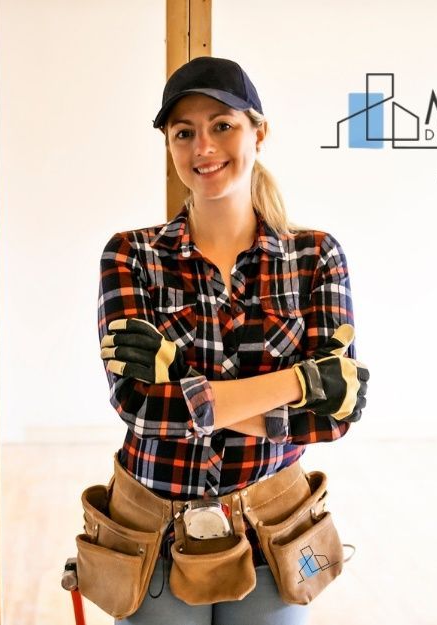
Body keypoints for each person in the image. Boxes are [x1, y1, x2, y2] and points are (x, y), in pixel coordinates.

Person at [91, 56, 369, 625]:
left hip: (274, 528)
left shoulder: (315, 256)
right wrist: (297, 382)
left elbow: (334, 417)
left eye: (222, 125)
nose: (203, 147)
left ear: (258, 132)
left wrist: (184, 388)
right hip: (153, 527)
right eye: (183, 132)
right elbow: (138, 405)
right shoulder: (131, 254)